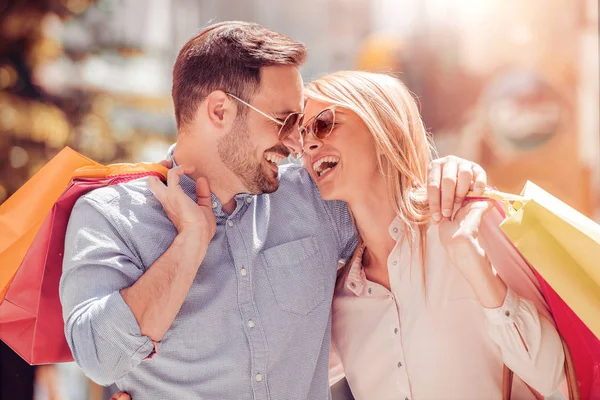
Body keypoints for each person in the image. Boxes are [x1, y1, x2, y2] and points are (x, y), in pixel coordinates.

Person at [60, 22, 487, 399]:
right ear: (220, 110)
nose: (297, 142)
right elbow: (99, 357)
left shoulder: (318, 199)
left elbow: (395, 197)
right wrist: (190, 243)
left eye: (303, 125)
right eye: (284, 121)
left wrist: (449, 169)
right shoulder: (109, 216)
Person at [295, 71, 565, 399]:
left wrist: (473, 262)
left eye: (324, 123)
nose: (309, 143)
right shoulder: (339, 301)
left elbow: (553, 377)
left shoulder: (472, 223)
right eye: (303, 133)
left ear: (383, 126)